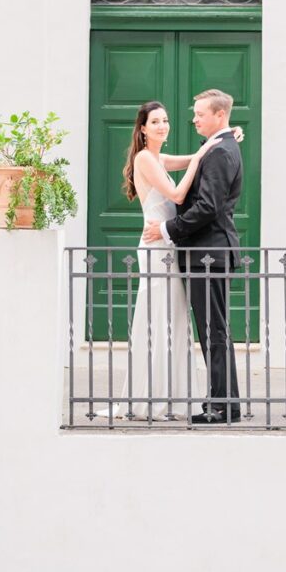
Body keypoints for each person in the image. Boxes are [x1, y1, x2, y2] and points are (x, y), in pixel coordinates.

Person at [104, 100, 239, 421]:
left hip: (169, 244)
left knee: (175, 319)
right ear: (142, 129)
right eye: (155, 122)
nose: (163, 126)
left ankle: (175, 396)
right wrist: (207, 150)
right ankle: (151, 396)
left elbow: (194, 159)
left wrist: (226, 136)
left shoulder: (159, 157)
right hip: (156, 244)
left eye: (165, 120)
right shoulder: (144, 158)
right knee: (158, 318)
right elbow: (178, 195)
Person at [143, 89, 243, 425]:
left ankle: (222, 407)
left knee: (214, 331)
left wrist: (168, 230)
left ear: (219, 115)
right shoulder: (220, 147)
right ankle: (223, 403)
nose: (194, 119)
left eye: (200, 114)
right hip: (208, 253)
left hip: (208, 254)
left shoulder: (219, 152)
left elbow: (207, 207)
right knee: (215, 330)